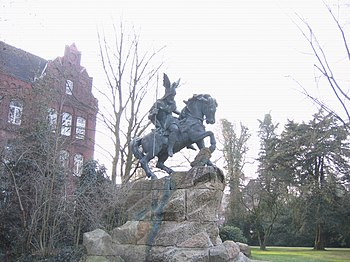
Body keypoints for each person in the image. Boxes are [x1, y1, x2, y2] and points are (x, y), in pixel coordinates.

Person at [148, 74, 180, 157]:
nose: (172, 98)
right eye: (171, 96)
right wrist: (153, 113)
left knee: (184, 126)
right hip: (164, 123)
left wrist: (183, 114)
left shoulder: (173, 103)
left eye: (173, 96)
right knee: (175, 129)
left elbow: (175, 110)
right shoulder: (159, 103)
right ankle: (170, 148)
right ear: (167, 95)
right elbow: (150, 115)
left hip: (171, 119)